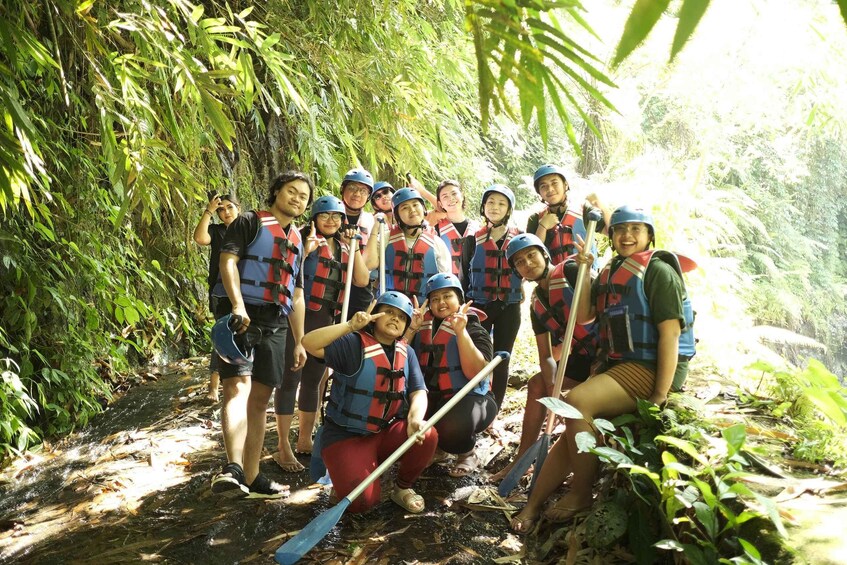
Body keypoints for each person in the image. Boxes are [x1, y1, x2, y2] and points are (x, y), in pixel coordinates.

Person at [510, 205, 696, 532]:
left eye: (635, 229)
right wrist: (584, 272)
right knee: (571, 431)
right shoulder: (611, 270)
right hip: (620, 364)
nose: (627, 235)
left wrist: (659, 394)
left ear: (649, 235)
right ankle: (533, 505)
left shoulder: (658, 271)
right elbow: (584, 316)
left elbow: (670, 334)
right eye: (620, 230)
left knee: (575, 402)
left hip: (652, 367)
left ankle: (581, 493)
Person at [208, 171, 312, 499]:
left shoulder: (298, 240)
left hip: (276, 322)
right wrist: (237, 305)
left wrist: (299, 341)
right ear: (277, 191)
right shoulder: (249, 222)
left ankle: (252, 477)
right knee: (237, 386)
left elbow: (296, 294)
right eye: (292, 191)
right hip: (239, 316)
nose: (297, 199)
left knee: (261, 398)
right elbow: (227, 261)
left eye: (303, 197)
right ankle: (233, 468)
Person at [302, 292, 438, 514]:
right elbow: (308, 343)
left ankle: (402, 488)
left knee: (427, 433)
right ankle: (348, 473)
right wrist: (349, 326)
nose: (395, 319)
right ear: (375, 316)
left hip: (383, 433)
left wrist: (415, 419)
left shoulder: (407, 352)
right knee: (363, 505)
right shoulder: (353, 343)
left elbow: (418, 392)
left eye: (401, 317)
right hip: (345, 437)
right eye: (389, 312)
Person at [273, 196, 372, 472]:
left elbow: (362, 279)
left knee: (314, 380)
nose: (331, 221)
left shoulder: (345, 246)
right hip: (298, 317)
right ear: (314, 217)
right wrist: (305, 251)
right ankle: (283, 445)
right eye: (325, 215)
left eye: (337, 217)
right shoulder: (300, 239)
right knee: (289, 379)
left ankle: (305, 437)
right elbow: (284, 272)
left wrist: (355, 247)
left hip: (326, 320)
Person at [491, 233, 598, 483]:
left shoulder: (571, 270)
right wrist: (553, 391)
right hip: (581, 359)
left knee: (577, 400)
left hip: (606, 355)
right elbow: (546, 356)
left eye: (531, 255)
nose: (528, 263)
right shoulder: (536, 304)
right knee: (537, 384)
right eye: (520, 262)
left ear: (544, 255)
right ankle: (522, 458)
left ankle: (576, 467)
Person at [406, 273, 496, 477]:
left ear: (460, 300)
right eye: (435, 299)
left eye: (447, 296)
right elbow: (399, 361)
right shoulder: (422, 326)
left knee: (451, 427)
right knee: (403, 422)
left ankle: (467, 453)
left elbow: (477, 373)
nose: (441, 303)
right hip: (431, 397)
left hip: (471, 399)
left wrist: (461, 332)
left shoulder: (474, 328)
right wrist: (411, 330)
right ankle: (438, 449)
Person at [467, 184, 523, 408]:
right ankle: (474, 403)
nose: (495, 207)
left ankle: (494, 408)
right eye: (490, 202)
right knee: (477, 357)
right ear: (483, 207)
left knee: (502, 358)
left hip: (509, 307)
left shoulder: (520, 238)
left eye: (501, 203)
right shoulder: (473, 238)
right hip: (479, 305)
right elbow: (463, 274)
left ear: (509, 210)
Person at [193, 192, 240, 402]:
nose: (226, 212)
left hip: (245, 291)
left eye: (230, 207)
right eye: (221, 210)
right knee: (222, 335)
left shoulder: (249, 230)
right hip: (221, 293)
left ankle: (240, 382)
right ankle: (214, 387)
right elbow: (200, 238)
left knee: (244, 335)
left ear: (238, 208)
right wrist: (208, 211)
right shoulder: (217, 231)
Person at [526, 164, 608, 266]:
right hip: (554, 275)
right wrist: (542, 227)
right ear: (539, 193)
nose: (550, 189)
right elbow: (530, 255)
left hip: (585, 272)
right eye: (543, 186)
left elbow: (611, 232)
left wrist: (602, 207)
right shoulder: (535, 219)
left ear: (565, 185)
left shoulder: (584, 210)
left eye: (554, 183)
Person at [384, 187, 451, 303]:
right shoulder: (385, 239)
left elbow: (445, 283)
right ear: (397, 215)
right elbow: (370, 269)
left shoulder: (437, 243)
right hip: (391, 306)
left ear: (423, 208)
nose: (412, 210)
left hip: (424, 308)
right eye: (405, 207)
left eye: (415, 205)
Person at [339, 168, 377, 319]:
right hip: (334, 280)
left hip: (360, 285)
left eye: (363, 191)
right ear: (343, 190)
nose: (357, 194)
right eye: (352, 188)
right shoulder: (331, 214)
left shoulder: (371, 221)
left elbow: (372, 261)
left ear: (368, 197)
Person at [432, 180, 479, 287]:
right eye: (445, 196)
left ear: (462, 196)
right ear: (440, 204)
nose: (451, 199)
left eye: (454, 193)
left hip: (474, 287)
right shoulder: (436, 230)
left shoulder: (476, 229)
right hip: (447, 287)